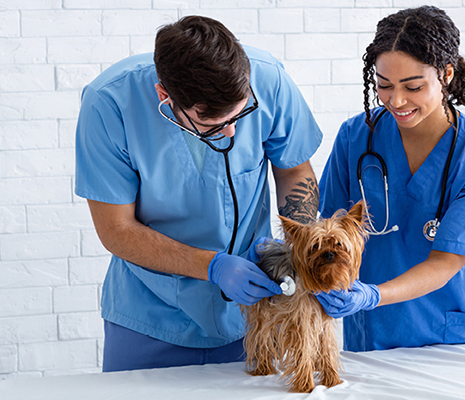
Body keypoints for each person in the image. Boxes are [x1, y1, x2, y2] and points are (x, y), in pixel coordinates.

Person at [74, 16, 322, 371]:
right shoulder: (109, 105)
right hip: (151, 314)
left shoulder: (270, 80)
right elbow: (116, 229)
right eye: (213, 125)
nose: (232, 132)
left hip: (255, 312)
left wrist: (298, 248)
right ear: (165, 96)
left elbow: (294, 170)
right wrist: (213, 266)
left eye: (240, 115)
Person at [316, 6, 465, 351]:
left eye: (413, 86)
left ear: (446, 74)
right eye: (384, 85)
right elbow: (330, 229)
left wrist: (373, 295)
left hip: (455, 338)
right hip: (374, 335)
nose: (396, 100)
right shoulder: (355, 139)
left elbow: (445, 262)